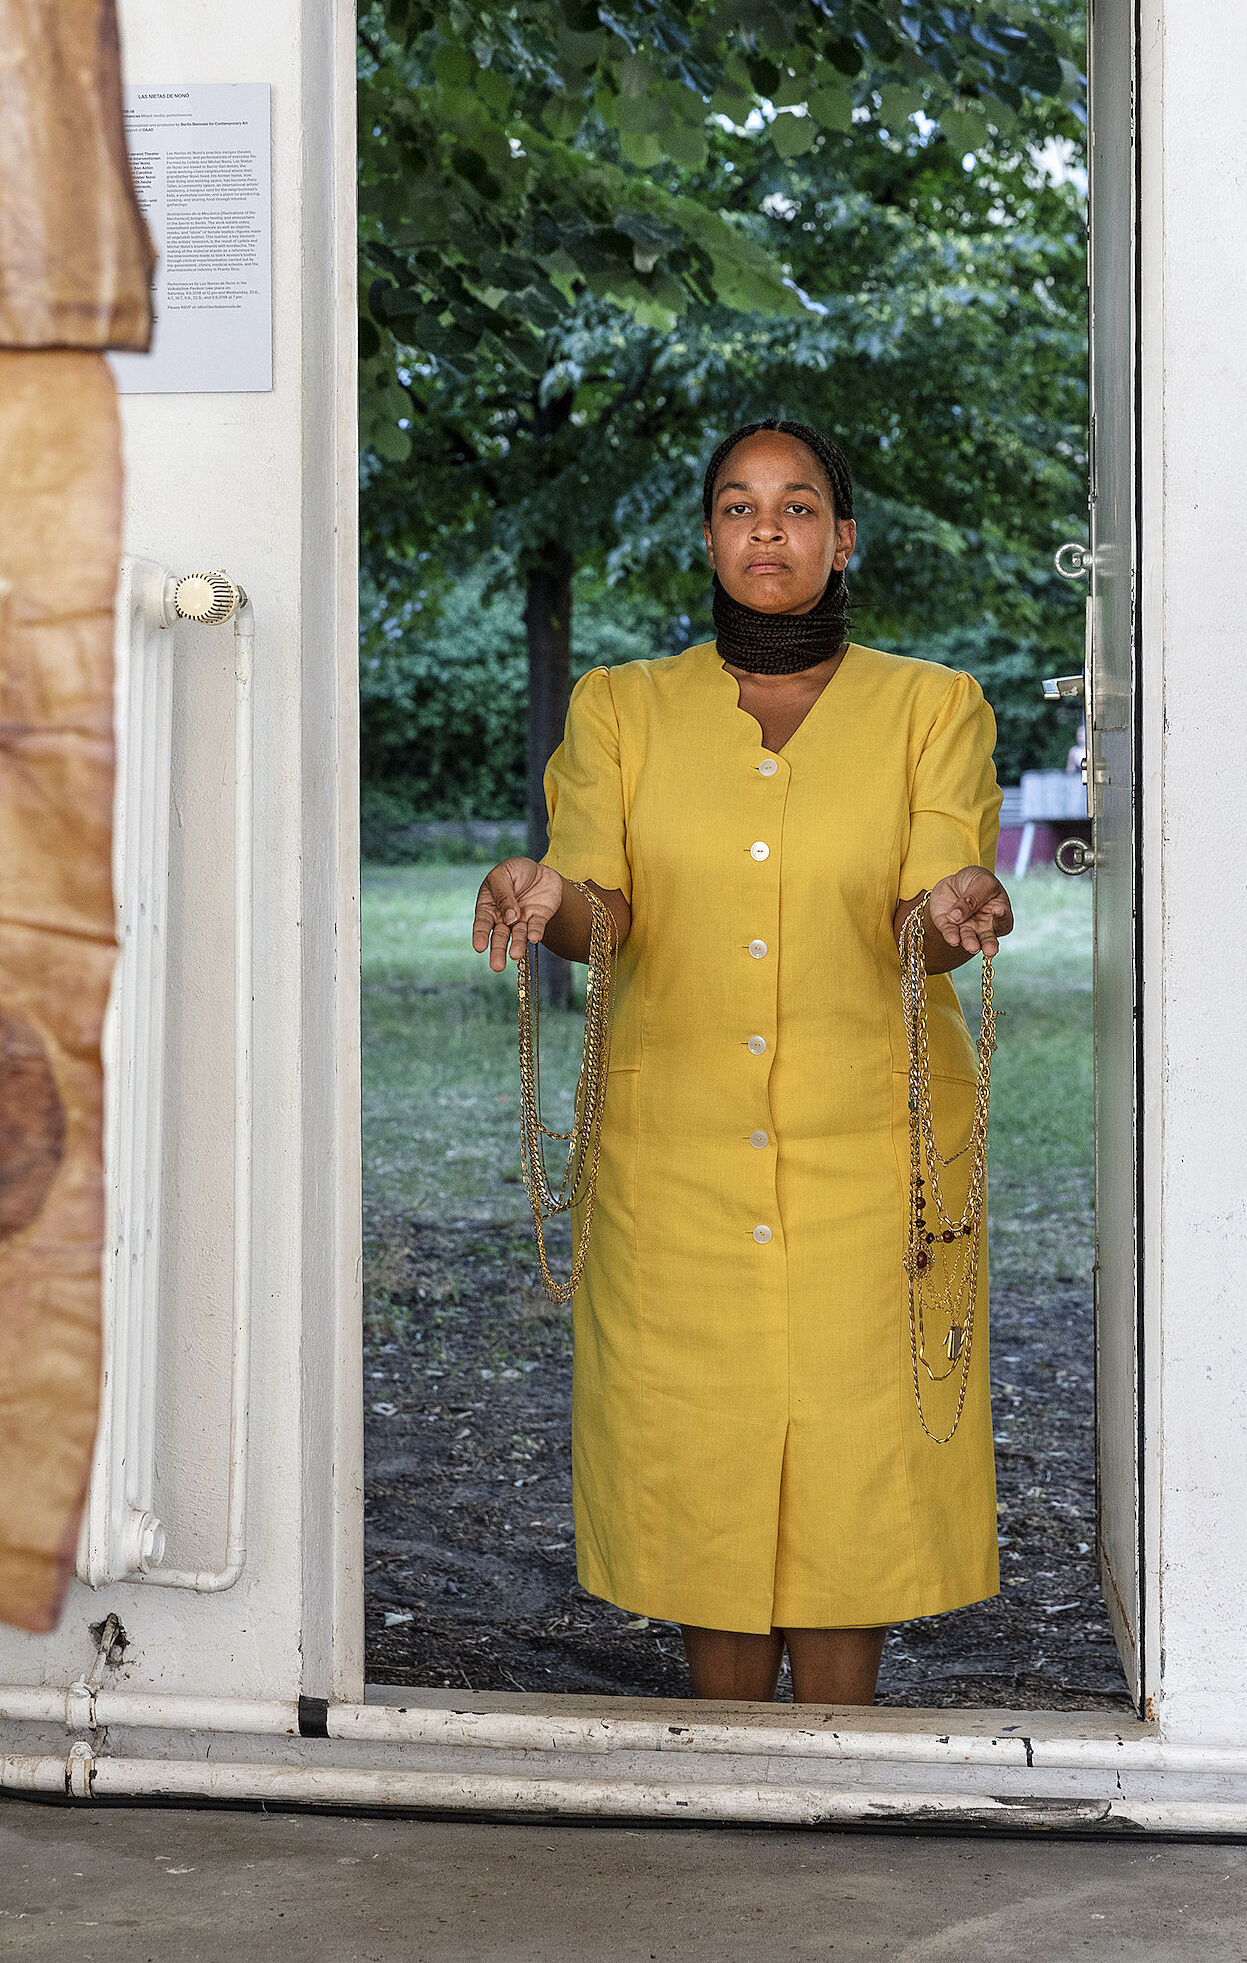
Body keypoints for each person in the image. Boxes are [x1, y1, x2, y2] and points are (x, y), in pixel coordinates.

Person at [472, 419, 1014, 1705]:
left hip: (872, 1160)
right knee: (704, 1475)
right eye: (736, 506)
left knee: (855, 1472)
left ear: (843, 536)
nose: (766, 530)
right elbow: (605, 915)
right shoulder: (622, 710)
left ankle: (834, 1768)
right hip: (679, 1163)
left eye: (797, 505)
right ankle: (729, 1772)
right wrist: (538, 894)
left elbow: (918, 924)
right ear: (709, 536)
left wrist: (950, 915)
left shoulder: (932, 708)